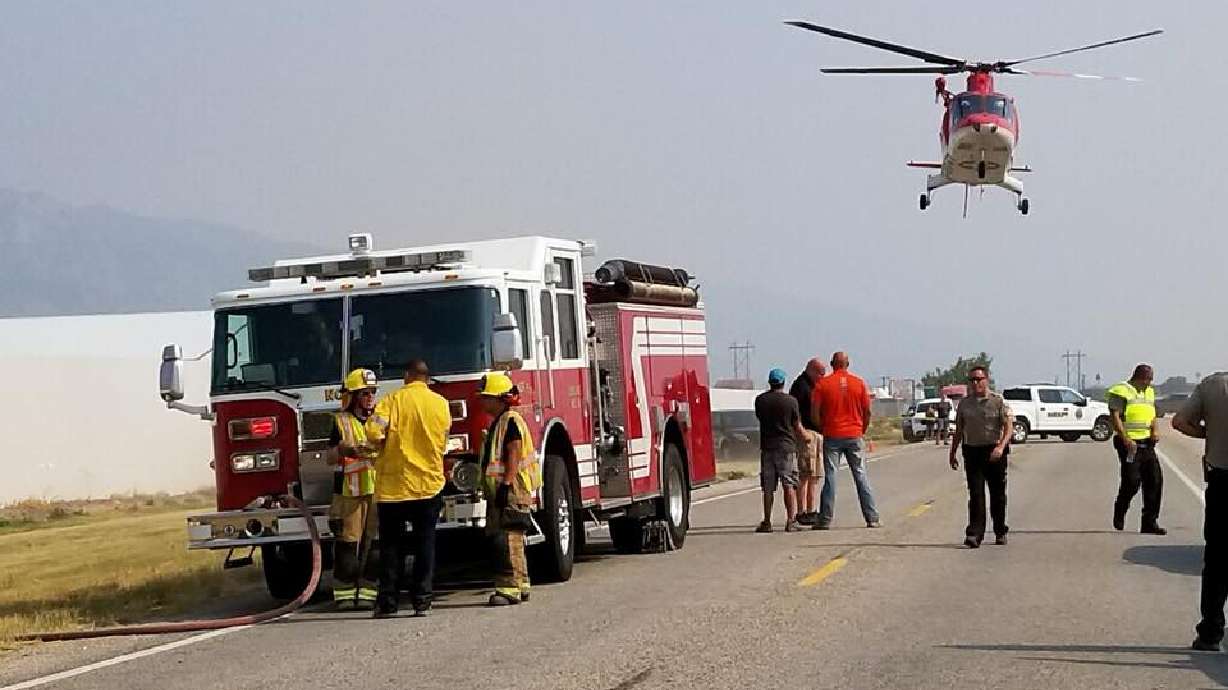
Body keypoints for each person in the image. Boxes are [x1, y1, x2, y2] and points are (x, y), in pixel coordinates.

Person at [364, 359, 451, 618]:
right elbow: (444, 439)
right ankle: (422, 600)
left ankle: (388, 602)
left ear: (406, 376)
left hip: (395, 487)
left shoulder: (391, 401)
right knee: (426, 544)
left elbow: (374, 433)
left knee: (392, 546)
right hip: (428, 485)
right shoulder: (440, 403)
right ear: (426, 378)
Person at [476, 373, 543, 606]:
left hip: (512, 488)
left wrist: (505, 485)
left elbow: (513, 452)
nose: (482, 401)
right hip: (511, 488)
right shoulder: (504, 420)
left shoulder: (509, 421)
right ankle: (521, 584)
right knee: (514, 539)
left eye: (486, 397)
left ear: (499, 398)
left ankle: (509, 589)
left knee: (507, 540)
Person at [1173, 371, 1228, 652]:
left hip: (1223, 483)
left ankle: (1210, 632)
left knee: (1218, 560)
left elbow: (1180, 422)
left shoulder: (1214, 384)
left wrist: (1209, 433)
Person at [326, 368, 381, 608]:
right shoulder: (341, 421)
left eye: (372, 392)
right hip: (348, 493)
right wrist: (342, 450)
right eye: (364, 393)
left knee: (375, 543)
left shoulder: (381, 419)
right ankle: (345, 594)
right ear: (353, 396)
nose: (370, 397)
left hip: (378, 492)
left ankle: (369, 592)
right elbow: (329, 458)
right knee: (347, 543)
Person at [812, 352, 881, 530]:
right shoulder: (858, 383)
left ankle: (825, 519)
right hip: (854, 433)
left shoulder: (823, 384)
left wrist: (822, 428)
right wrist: (862, 429)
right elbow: (867, 411)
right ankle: (872, 517)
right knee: (860, 475)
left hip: (832, 434)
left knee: (831, 476)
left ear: (832, 364)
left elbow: (814, 412)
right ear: (848, 364)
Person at [949, 366, 1012, 548]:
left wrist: (1001, 447)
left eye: (979, 379)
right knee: (976, 494)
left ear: (986, 380)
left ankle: (1000, 530)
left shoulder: (998, 401)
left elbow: (1008, 427)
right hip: (972, 451)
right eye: (972, 380)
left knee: (997, 495)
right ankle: (974, 534)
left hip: (994, 452)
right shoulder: (964, 404)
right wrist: (953, 452)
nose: (975, 383)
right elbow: (959, 430)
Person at [1107, 364, 1166, 535]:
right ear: (1139, 377)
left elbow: (1152, 414)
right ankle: (1120, 509)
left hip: (1147, 443)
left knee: (1154, 480)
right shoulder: (1121, 391)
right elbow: (1115, 417)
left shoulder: (1149, 392)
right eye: (1147, 379)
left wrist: (1155, 430)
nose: (1149, 383)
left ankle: (1149, 522)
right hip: (1129, 445)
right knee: (1132, 481)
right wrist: (1125, 438)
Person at [755, 368, 807, 533]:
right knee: (788, 484)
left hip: (767, 447)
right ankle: (790, 521)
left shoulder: (760, 400)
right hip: (786, 447)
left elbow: (760, 418)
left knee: (768, 487)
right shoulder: (791, 401)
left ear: (770, 382)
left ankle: (767, 521)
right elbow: (796, 425)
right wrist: (807, 437)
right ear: (783, 382)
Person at [789, 358, 827, 525]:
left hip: (816, 433)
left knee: (814, 475)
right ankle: (801, 511)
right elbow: (794, 413)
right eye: (820, 373)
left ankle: (811, 509)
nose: (822, 377)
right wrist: (801, 432)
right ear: (811, 370)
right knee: (805, 474)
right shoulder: (800, 387)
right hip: (807, 434)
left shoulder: (814, 385)